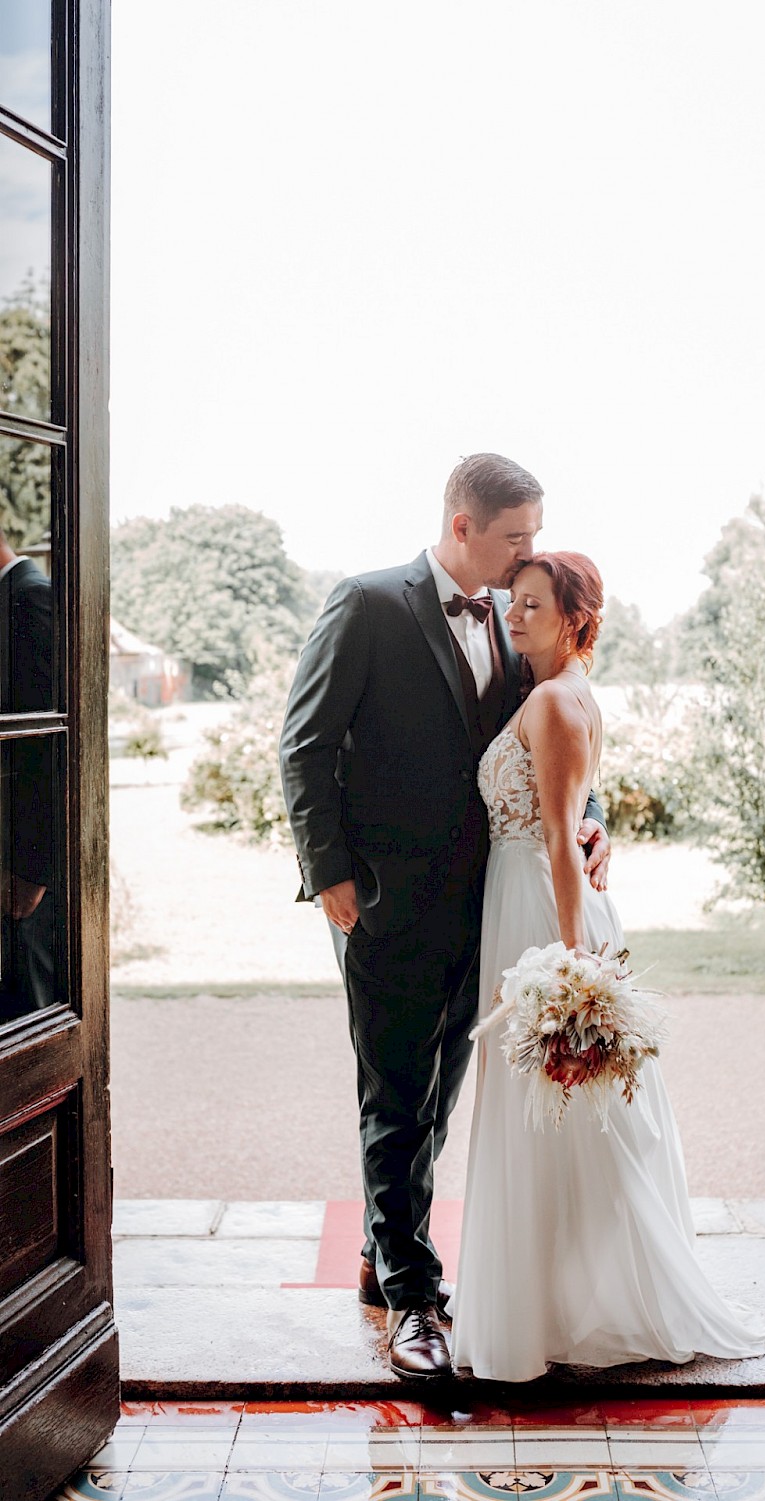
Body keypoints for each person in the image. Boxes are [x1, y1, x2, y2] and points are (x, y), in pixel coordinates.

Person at [278, 455, 610, 1380]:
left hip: (486, 906)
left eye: (534, 538)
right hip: (383, 898)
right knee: (394, 1092)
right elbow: (303, 745)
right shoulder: (369, 604)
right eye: (515, 537)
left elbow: (554, 744)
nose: (526, 556)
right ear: (463, 526)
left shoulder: (515, 625)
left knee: (439, 1095)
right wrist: (330, 874)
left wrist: (591, 825)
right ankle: (414, 1299)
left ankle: (385, 1261)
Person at [451, 550, 765, 1381]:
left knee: (564, 1107)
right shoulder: (557, 692)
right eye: (512, 601)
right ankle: (556, 1302)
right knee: (555, 1112)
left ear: (574, 619)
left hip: (540, 911)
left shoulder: (557, 701)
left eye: (531, 604)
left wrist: (569, 967)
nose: (513, 613)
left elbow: (561, 835)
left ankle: (574, 1308)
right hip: (521, 900)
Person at [0, 525, 56, 1022]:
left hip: (20, 872)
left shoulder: (31, 601)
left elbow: (49, 751)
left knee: (29, 1015)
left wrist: (29, 869)